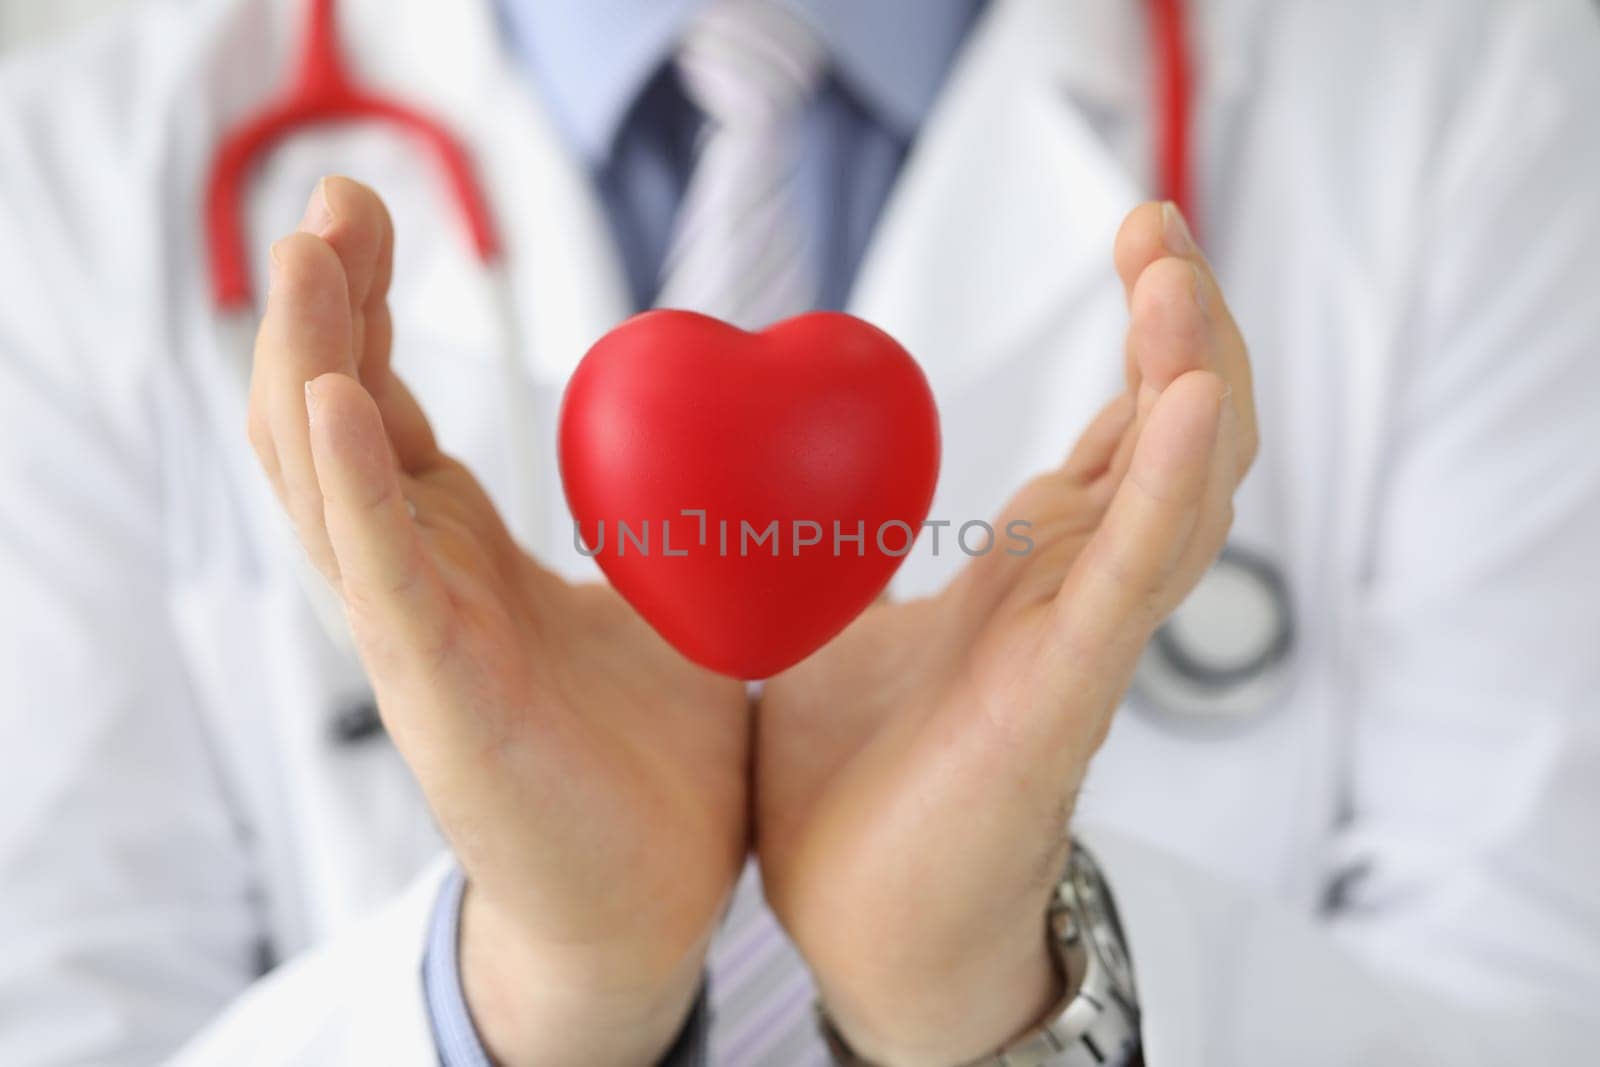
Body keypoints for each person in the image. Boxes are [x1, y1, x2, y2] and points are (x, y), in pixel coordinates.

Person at [0, 0, 1597, 1064]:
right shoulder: (57, 195)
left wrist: (998, 1001)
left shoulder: (1488, 119)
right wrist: (536, 991)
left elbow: (1530, 1016)